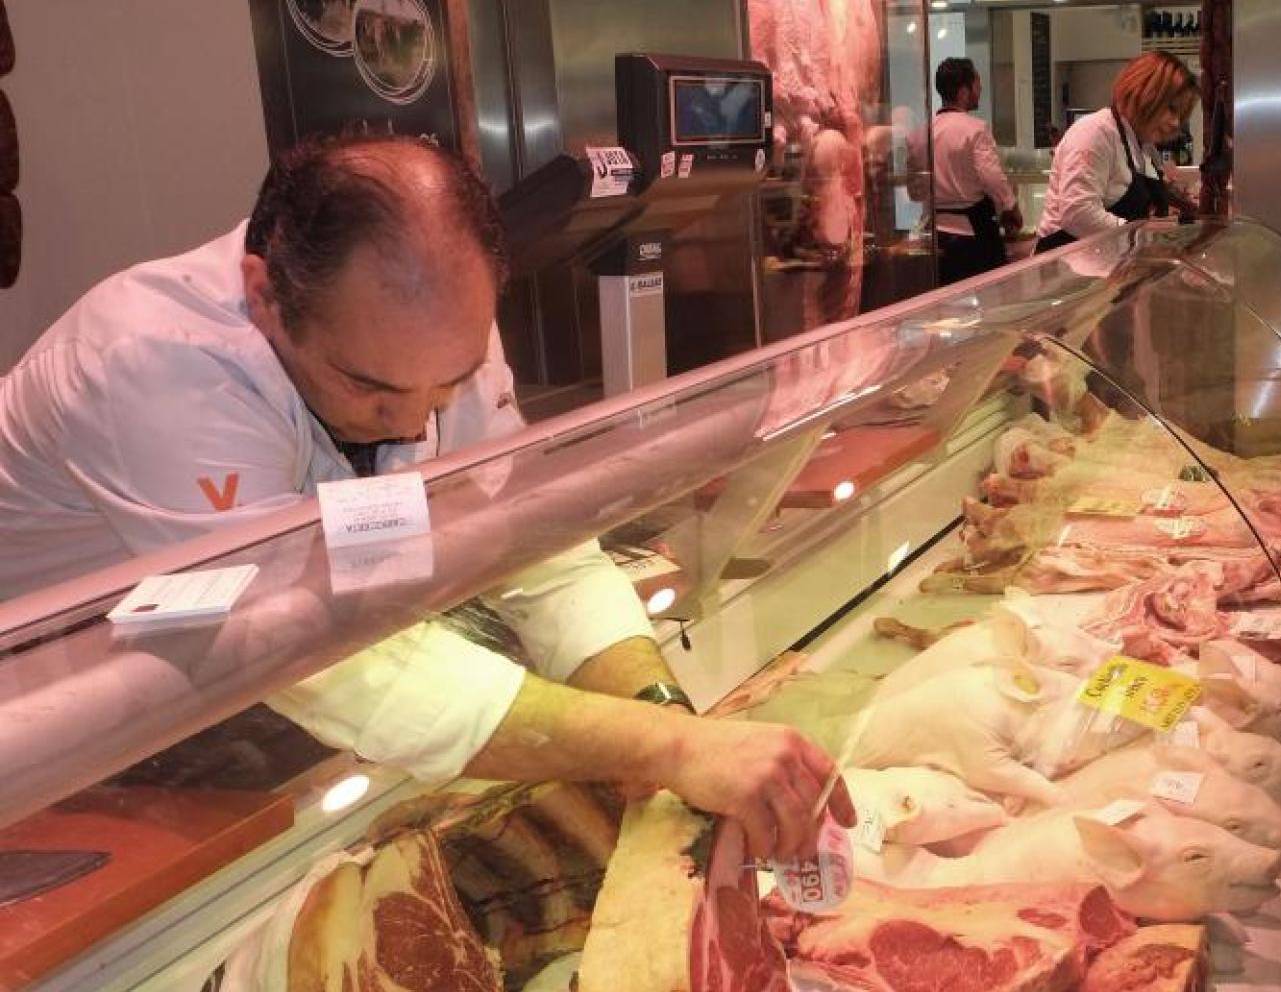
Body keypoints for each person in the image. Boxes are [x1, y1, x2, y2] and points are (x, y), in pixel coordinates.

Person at [0, 135, 852, 859]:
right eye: (371, 389)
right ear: (265, 297)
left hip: (235, 717)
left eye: (446, 385)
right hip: (58, 747)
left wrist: (656, 707)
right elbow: (301, 652)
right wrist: (667, 747)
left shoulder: (434, 326)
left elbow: (527, 542)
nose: (413, 421)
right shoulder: (153, 369)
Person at [1034, 50, 1198, 252]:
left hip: (1105, 264)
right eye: (1172, 109)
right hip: (1065, 267)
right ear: (1144, 94)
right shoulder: (1096, 131)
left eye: (1181, 115)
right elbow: (1078, 214)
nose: (1175, 123)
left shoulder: (1144, 145)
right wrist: (1140, 236)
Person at [927, 57, 1021, 284]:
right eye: (977, 85)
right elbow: (991, 177)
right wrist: (1011, 207)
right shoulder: (975, 129)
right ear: (963, 91)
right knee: (988, 301)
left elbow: (915, 188)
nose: (981, 89)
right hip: (974, 237)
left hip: (934, 235)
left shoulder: (925, 131)